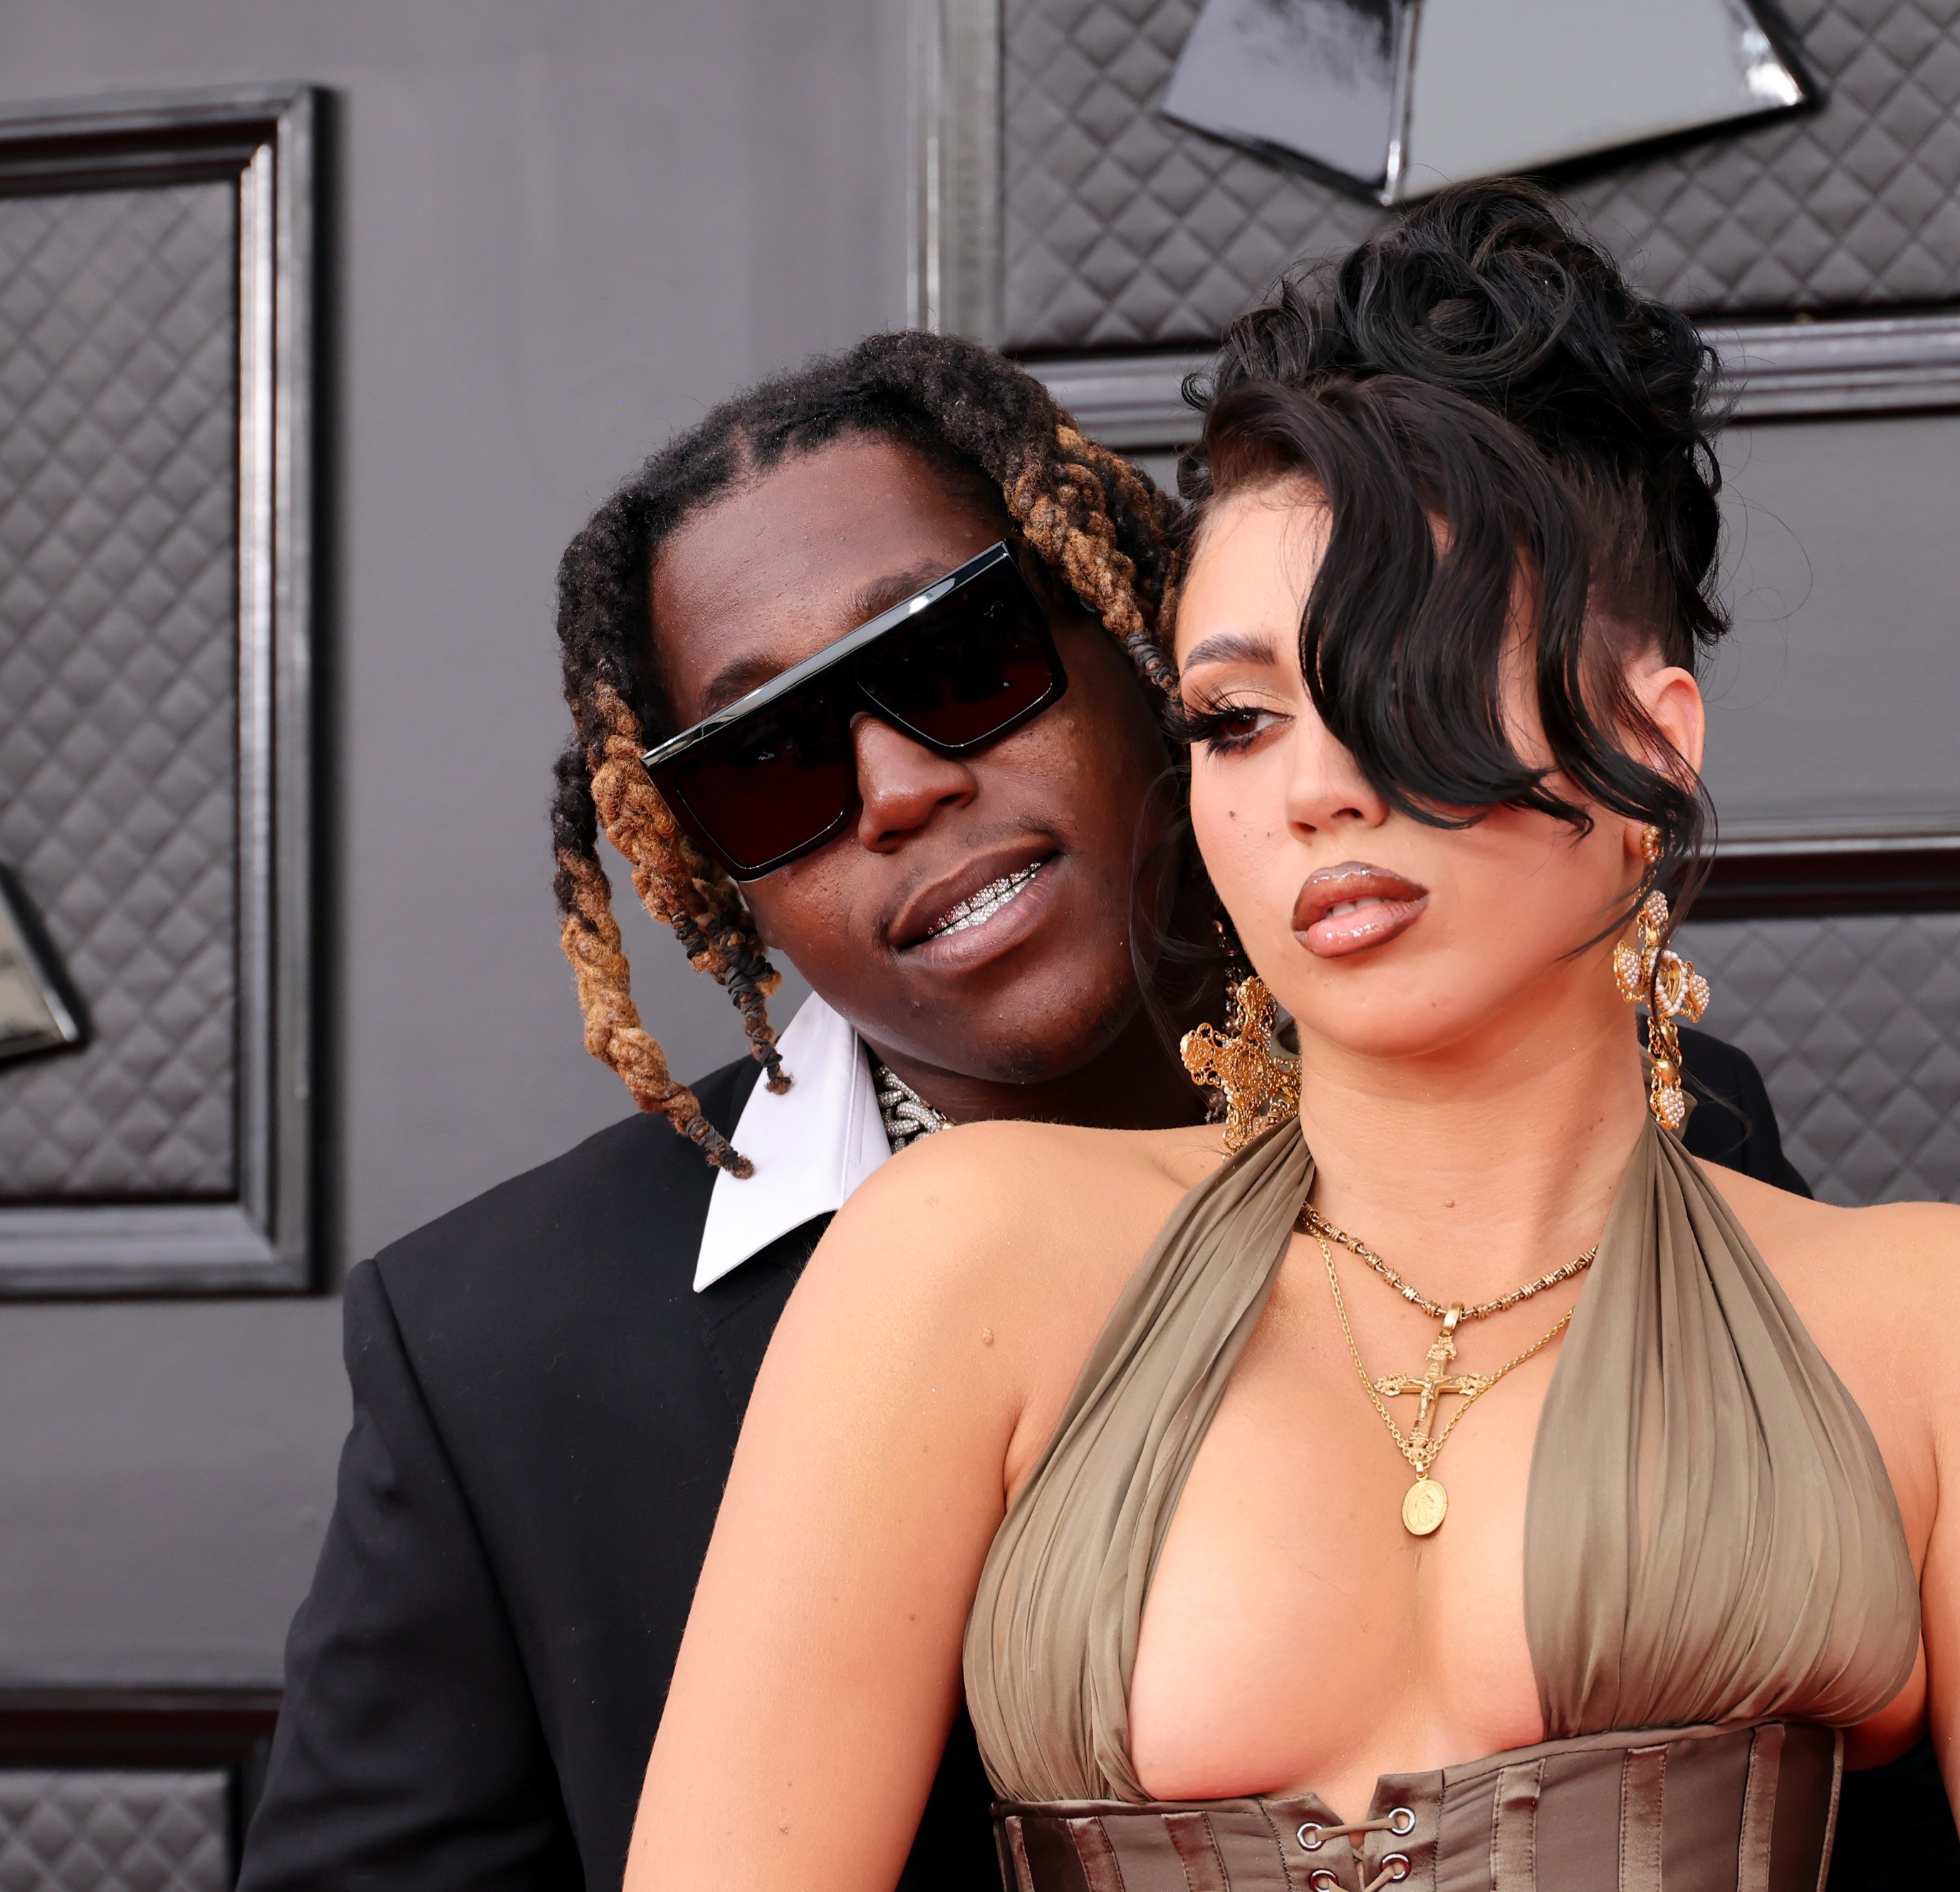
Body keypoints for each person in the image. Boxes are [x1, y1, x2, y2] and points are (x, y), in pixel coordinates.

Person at [625, 185, 1960, 1892]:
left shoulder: (1952, 1330)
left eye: (1405, 674)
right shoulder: (964, 1259)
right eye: (1238, 720)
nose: (1315, 789)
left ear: (1650, 736)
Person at [237, 331, 1832, 1892]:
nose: (895, 789)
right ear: (703, 872)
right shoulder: (500, 1346)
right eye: (770, 762)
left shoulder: (1657, 1127)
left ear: (1144, 651)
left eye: (956, 661)